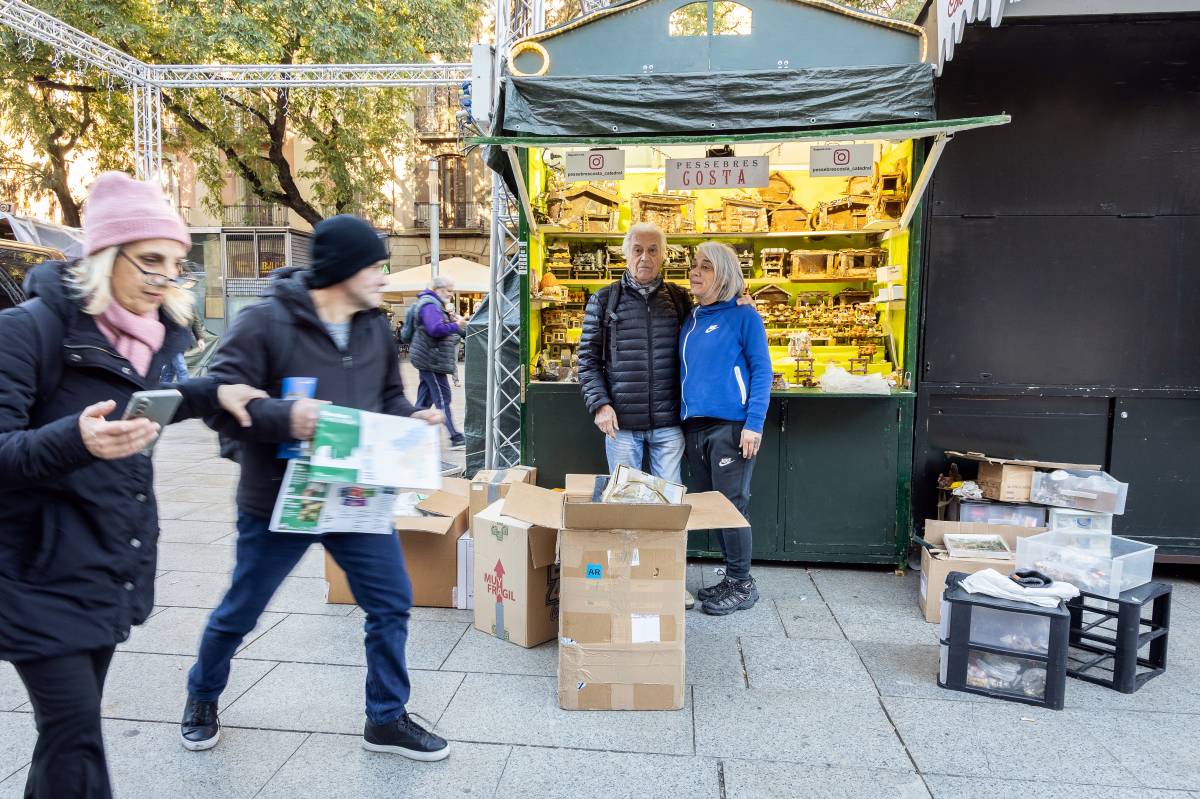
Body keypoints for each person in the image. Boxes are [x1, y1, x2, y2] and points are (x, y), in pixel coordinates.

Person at [0, 171, 265, 799]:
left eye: (174, 265)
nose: (163, 280)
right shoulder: (27, 332)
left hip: (102, 567)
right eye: (149, 261)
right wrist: (75, 439)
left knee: (66, 736)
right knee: (75, 736)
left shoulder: (142, 341)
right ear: (103, 257)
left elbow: (158, 399)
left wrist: (213, 392)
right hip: (31, 574)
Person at [181, 214, 450, 762]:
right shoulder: (263, 322)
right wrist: (287, 416)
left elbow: (387, 398)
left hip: (355, 496)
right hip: (282, 498)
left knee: (392, 601)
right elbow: (220, 404)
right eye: (375, 265)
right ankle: (202, 695)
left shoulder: (373, 324)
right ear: (343, 269)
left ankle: (386, 717)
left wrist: (411, 419)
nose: (383, 275)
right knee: (243, 609)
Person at [679, 242, 772, 616]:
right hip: (695, 429)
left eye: (706, 267)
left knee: (732, 506)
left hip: (731, 427)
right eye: (694, 265)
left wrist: (754, 425)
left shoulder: (744, 316)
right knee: (716, 508)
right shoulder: (692, 317)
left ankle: (743, 583)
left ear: (726, 274)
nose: (695, 272)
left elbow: (762, 371)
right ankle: (732, 578)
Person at [577, 222, 692, 481]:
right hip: (622, 424)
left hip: (669, 423)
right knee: (625, 503)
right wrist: (600, 405)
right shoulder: (605, 299)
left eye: (653, 250)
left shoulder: (679, 299)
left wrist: (740, 302)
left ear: (663, 256)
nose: (645, 257)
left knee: (669, 504)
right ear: (626, 254)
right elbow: (587, 360)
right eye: (638, 250)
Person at [410, 275, 466, 450]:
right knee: (443, 398)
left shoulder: (433, 303)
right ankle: (455, 437)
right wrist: (457, 326)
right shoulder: (430, 304)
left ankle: (412, 433)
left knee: (423, 401)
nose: (451, 294)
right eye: (449, 290)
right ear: (438, 289)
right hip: (431, 360)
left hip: (429, 358)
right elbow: (434, 329)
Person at [161, 313, 206, 383]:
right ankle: (185, 390)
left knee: (170, 370)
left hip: (182, 340)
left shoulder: (190, 303)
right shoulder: (168, 302)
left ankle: (161, 389)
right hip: (171, 340)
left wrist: (200, 338)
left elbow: (194, 320)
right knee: (182, 369)